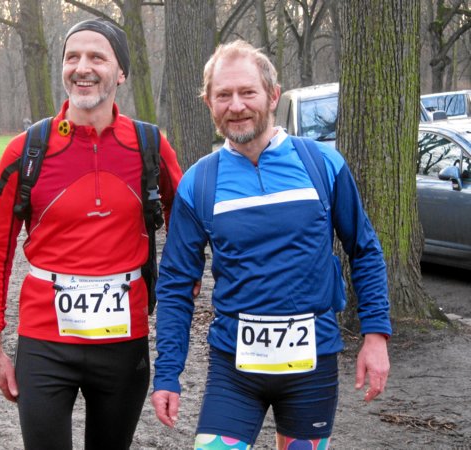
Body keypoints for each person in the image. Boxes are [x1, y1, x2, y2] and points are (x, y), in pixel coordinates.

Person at [151, 40, 391, 450]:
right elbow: (175, 285)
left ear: (273, 95)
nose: (236, 106)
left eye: (248, 92)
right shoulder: (199, 183)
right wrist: (168, 373)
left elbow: (364, 250)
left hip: (312, 365)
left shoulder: (322, 164)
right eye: (223, 95)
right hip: (234, 369)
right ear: (209, 103)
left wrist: (376, 335)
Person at [0, 18, 182, 450]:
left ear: (120, 72)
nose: (82, 67)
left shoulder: (149, 146)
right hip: (45, 343)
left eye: (97, 57)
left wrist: (183, 283)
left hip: (123, 341)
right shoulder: (27, 151)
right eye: (72, 57)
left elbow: (184, 223)